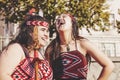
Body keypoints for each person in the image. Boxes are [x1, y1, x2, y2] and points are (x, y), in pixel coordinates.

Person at [45, 13, 114, 80]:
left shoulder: (83, 43)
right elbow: (47, 75)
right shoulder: (51, 48)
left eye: (64, 16)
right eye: (58, 18)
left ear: (72, 23)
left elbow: (109, 65)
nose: (60, 18)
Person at [0, 15, 53, 80]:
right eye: (43, 30)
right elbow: (2, 75)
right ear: (30, 32)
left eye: (47, 31)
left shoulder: (39, 53)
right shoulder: (16, 49)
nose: (46, 34)